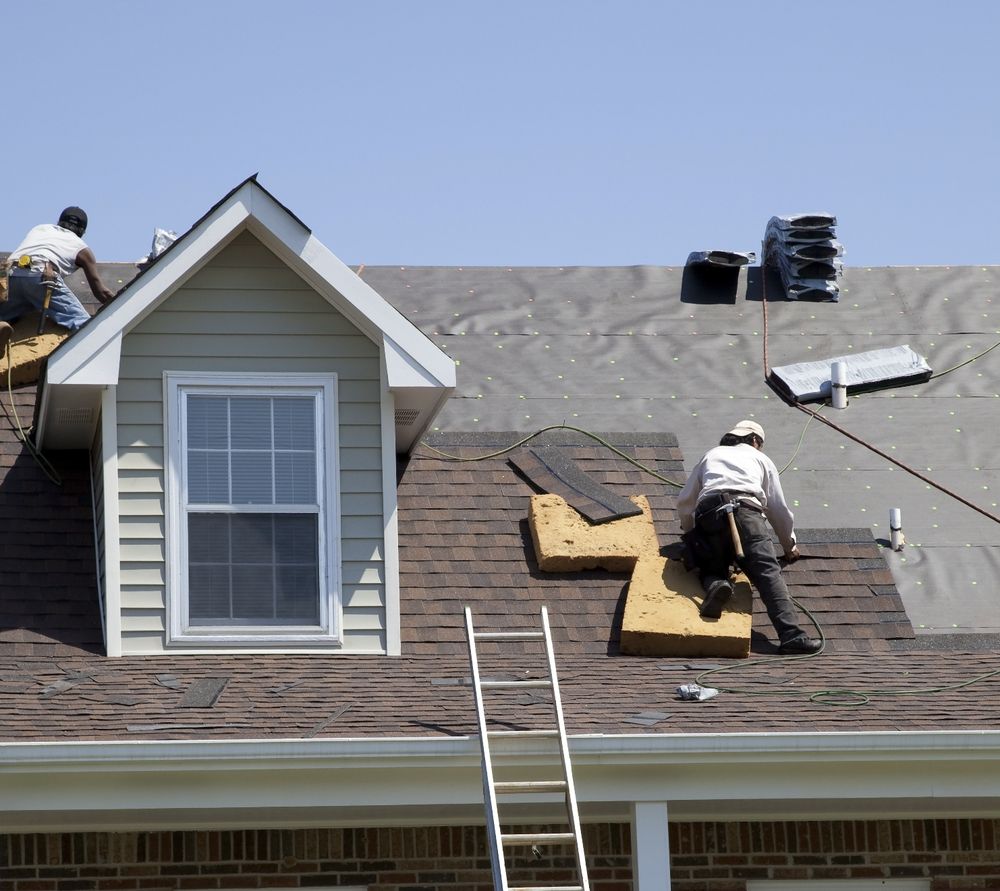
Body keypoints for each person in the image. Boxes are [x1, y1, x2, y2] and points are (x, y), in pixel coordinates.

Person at [676, 420, 822, 655]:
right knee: (767, 572)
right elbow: (777, 509)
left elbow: (685, 502)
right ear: (754, 440)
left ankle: (718, 583)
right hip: (746, 512)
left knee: (710, 566)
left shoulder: (711, 454)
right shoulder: (761, 459)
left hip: (708, 514)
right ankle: (792, 636)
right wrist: (789, 545)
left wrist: (691, 534)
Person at [1, 206, 116, 351]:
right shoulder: (82, 249)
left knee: (8, 311)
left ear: (59, 222)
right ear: (82, 231)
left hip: (11, 276)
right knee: (84, 325)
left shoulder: (40, 228)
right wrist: (121, 305)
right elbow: (100, 292)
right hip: (40, 278)